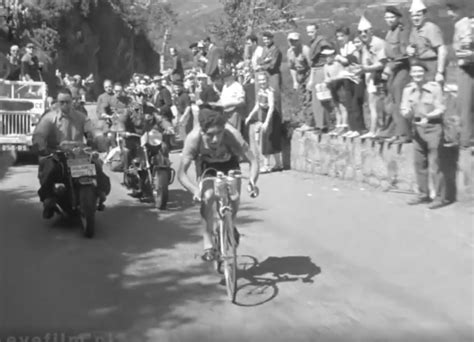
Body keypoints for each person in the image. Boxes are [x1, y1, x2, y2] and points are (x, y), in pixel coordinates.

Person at [177, 104, 260, 261]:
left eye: (219, 133)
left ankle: (229, 224)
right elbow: (181, 174)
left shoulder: (232, 135)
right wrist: (196, 190)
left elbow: (253, 161)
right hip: (206, 165)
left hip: (229, 163)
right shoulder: (193, 139)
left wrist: (252, 182)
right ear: (202, 131)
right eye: (210, 135)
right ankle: (208, 244)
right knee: (208, 197)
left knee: (234, 197)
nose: (216, 139)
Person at [32, 88, 110, 219]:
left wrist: (99, 138)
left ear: (72, 101)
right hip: (57, 154)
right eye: (61, 102)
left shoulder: (81, 117)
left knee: (97, 165)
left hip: (78, 154)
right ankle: (48, 200)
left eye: (67, 102)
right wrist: (40, 145)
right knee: (48, 169)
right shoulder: (50, 118)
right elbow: (39, 133)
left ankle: (100, 193)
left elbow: (92, 130)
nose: (65, 105)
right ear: (57, 102)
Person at [400, 61, 450, 209]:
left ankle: (440, 198)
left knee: (435, 164)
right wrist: (406, 113)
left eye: (420, 72)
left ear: (425, 73)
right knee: (419, 163)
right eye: (414, 72)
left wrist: (428, 117)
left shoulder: (434, 88)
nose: (417, 75)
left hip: (433, 128)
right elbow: (404, 108)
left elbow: (441, 108)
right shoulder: (408, 89)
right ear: (410, 73)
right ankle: (423, 194)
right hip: (417, 130)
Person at [381, 6, 412, 144]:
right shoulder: (389, 32)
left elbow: (403, 54)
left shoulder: (402, 31)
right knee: (392, 101)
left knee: (399, 97)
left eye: (392, 17)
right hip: (392, 69)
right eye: (387, 18)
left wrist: (390, 67)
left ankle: (405, 134)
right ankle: (395, 132)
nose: (389, 20)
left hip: (402, 68)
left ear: (398, 18)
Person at [446, 0, 474, 148]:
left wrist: (463, 52)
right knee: (462, 105)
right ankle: (464, 137)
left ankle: (467, 139)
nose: (449, 14)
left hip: (467, 68)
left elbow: (466, 47)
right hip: (463, 67)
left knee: (466, 105)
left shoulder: (465, 24)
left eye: (452, 10)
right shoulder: (462, 24)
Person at [245, 72, 283, 173]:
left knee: (269, 141)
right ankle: (277, 164)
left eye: (264, 80)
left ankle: (269, 165)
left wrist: (266, 122)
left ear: (267, 80)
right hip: (265, 115)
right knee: (268, 140)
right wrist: (249, 116)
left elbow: (271, 107)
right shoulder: (260, 91)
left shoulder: (270, 92)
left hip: (272, 117)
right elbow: (257, 105)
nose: (262, 82)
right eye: (260, 80)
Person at [358, 16, 387, 139]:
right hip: (370, 78)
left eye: (365, 31)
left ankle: (378, 130)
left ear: (371, 31)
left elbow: (382, 63)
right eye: (360, 32)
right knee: (371, 105)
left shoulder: (378, 43)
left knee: (378, 106)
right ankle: (373, 129)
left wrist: (366, 69)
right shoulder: (365, 45)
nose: (363, 34)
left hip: (379, 78)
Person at [407, 0, 448, 82]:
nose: (415, 18)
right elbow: (413, 45)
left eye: (418, 15)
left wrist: (440, 72)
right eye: (413, 16)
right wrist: (409, 49)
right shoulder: (414, 29)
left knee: (432, 91)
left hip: (432, 65)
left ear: (424, 16)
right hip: (419, 65)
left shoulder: (431, 28)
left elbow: (442, 50)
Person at [305, 23, 333, 132]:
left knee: (323, 97)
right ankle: (319, 123)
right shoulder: (313, 43)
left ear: (317, 30)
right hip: (315, 70)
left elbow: (328, 57)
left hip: (322, 69)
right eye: (308, 32)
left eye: (312, 32)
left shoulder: (322, 42)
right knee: (316, 100)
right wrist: (311, 78)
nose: (310, 34)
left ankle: (325, 125)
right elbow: (313, 63)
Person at [220, 68, 246, 133]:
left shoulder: (237, 86)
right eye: (224, 78)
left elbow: (242, 101)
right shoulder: (225, 86)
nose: (225, 80)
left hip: (234, 113)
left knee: (234, 134)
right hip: (225, 114)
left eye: (227, 77)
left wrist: (229, 104)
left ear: (231, 77)